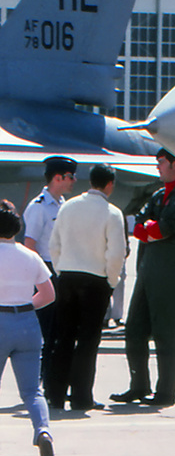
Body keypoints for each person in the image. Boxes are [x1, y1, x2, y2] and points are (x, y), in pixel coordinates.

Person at [114, 150, 175, 407]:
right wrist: (151, 229)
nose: (158, 168)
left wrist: (152, 229)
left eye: (161, 163)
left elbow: (163, 229)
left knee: (166, 334)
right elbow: (140, 227)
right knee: (134, 330)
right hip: (148, 270)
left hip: (169, 273)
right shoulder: (157, 196)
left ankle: (166, 392)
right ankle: (139, 386)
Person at [45, 165, 125, 413]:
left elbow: (54, 244)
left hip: (67, 277)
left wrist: (61, 270)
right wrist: (111, 281)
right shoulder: (112, 213)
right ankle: (81, 396)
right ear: (109, 184)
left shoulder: (68, 207)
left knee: (64, 338)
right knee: (88, 342)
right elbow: (116, 254)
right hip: (95, 281)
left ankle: (55, 394)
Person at [0, 201, 57, 456]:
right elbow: (48, 294)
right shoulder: (29, 255)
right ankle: (43, 431)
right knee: (32, 391)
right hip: (26, 323)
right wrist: (23, 305)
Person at [22, 156, 76, 394]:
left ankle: (51, 381)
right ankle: (39, 382)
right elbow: (30, 245)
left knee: (57, 330)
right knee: (44, 331)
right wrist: (34, 280)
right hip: (44, 272)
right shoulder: (39, 206)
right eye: (70, 176)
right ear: (58, 177)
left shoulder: (62, 204)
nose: (73, 181)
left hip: (60, 271)